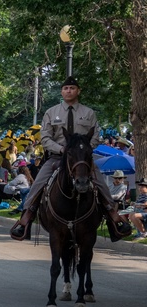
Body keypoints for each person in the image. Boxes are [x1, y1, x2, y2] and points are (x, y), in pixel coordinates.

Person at [10, 77, 132, 241]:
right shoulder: (51, 112)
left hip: (82, 160)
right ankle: (25, 221)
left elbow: (95, 137)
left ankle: (114, 219)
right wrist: (61, 149)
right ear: (62, 91)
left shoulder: (88, 113)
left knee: (101, 184)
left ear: (78, 91)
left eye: (72, 88)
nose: (69, 91)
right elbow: (45, 138)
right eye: (66, 88)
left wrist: (85, 149)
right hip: (57, 158)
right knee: (38, 184)